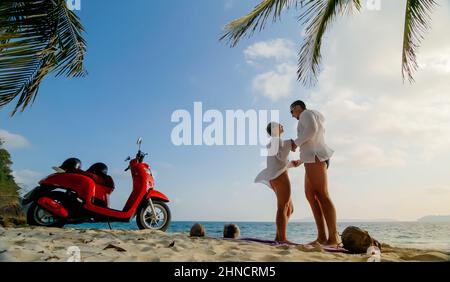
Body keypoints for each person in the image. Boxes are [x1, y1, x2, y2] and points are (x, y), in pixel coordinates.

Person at [290, 100, 340, 247]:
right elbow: (313, 138)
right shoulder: (311, 114)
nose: (292, 116)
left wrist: (295, 143)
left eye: (292, 112)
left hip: (316, 157)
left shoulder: (306, 113)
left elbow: (312, 130)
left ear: (297, 107)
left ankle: (333, 238)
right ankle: (322, 237)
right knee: (311, 195)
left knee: (322, 195)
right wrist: (300, 160)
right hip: (311, 158)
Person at [255, 122, 302, 243]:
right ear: (275, 129)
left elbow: (279, 161)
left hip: (277, 175)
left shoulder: (275, 141)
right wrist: (289, 143)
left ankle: (279, 236)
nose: (283, 126)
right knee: (283, 207)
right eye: (280, 125)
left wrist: (292, 164)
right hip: (279, 176)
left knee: (289, 208)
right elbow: (281, 158)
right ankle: (282, 238)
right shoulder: (276, 140)